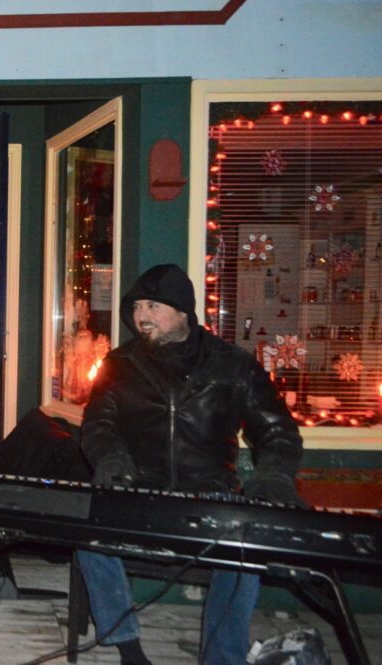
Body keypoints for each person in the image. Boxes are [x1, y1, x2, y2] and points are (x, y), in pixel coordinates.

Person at [77, 264, 304, 665]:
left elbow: (277, 431)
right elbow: (99, 424)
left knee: (242, 551)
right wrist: (111, 458)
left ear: (183, 312)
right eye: (136, 307)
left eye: (152, 306)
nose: (140, 316)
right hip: (139, 487)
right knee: (87, 532)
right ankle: (129, 649)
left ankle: (221, 659)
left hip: (209, 492)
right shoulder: (119, 365)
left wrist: (273, 474)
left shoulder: (233, 365)